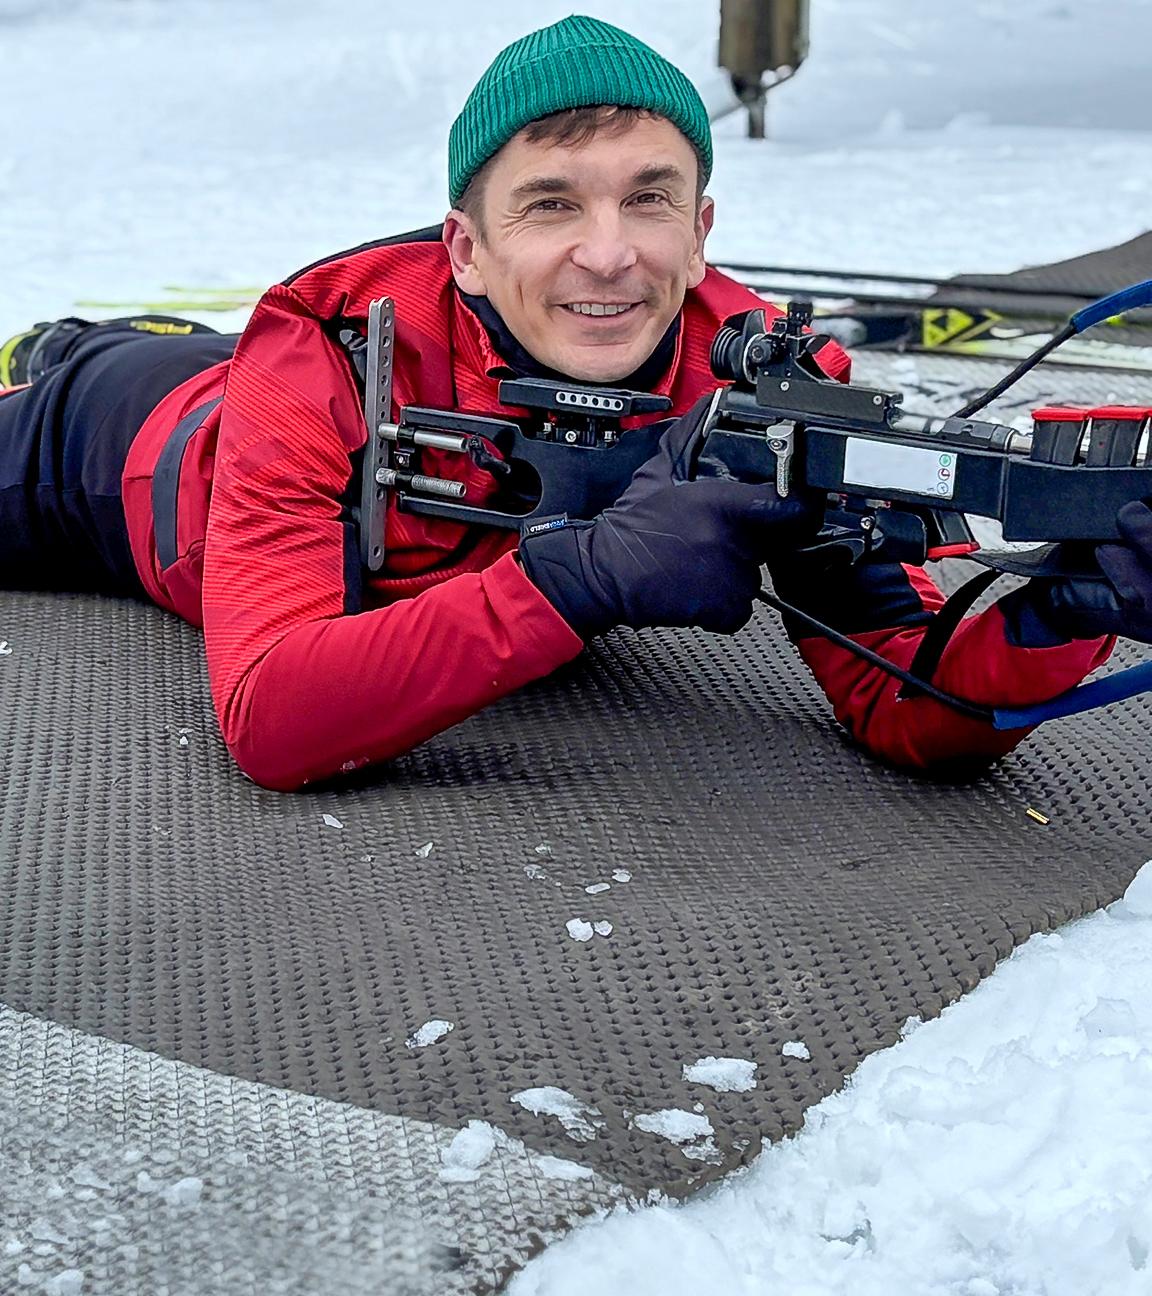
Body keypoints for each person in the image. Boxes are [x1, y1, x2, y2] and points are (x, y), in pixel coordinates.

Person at [0, 16, 1145, 791]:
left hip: (215, 404)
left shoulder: (768, 383)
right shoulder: (321, 356)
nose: (610, 256)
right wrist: (582, 576)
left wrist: (1055, 612)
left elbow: (905, 698)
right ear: (465, 248)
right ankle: (71, 346)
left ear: (700, 234)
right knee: (90, 371)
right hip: (115, 453)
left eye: (650, 200)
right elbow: (272, 719)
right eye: (551, 205)